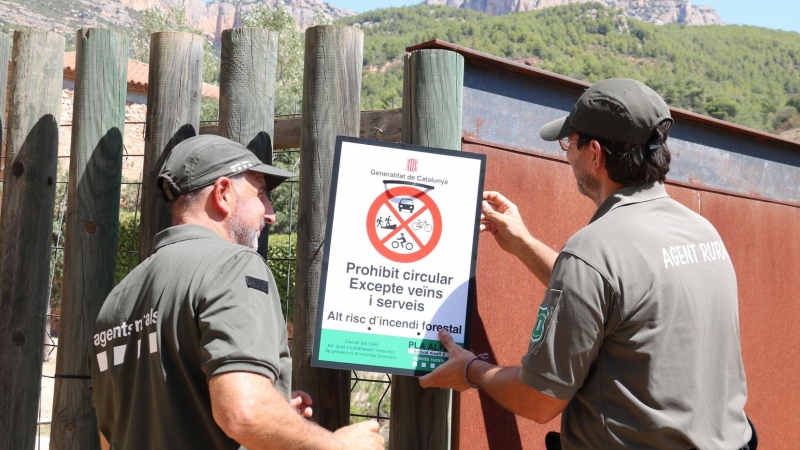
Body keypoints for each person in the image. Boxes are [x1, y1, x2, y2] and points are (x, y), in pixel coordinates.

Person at [420, 78, 755, 449]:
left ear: (595, 154)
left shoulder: (594, 250)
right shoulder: (700, 231)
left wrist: (471, 371)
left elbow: (539, 398)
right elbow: (619, 303)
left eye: (570, 143)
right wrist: (525, 245)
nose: (567, 154)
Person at [90, 135, 383, 450]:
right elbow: (243, 414)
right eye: (261, 194)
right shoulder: (235, 265)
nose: (270, 213)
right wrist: (336, 446)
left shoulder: (117, 299)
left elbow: (112, 437)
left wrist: (274, 411)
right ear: (223, 192)